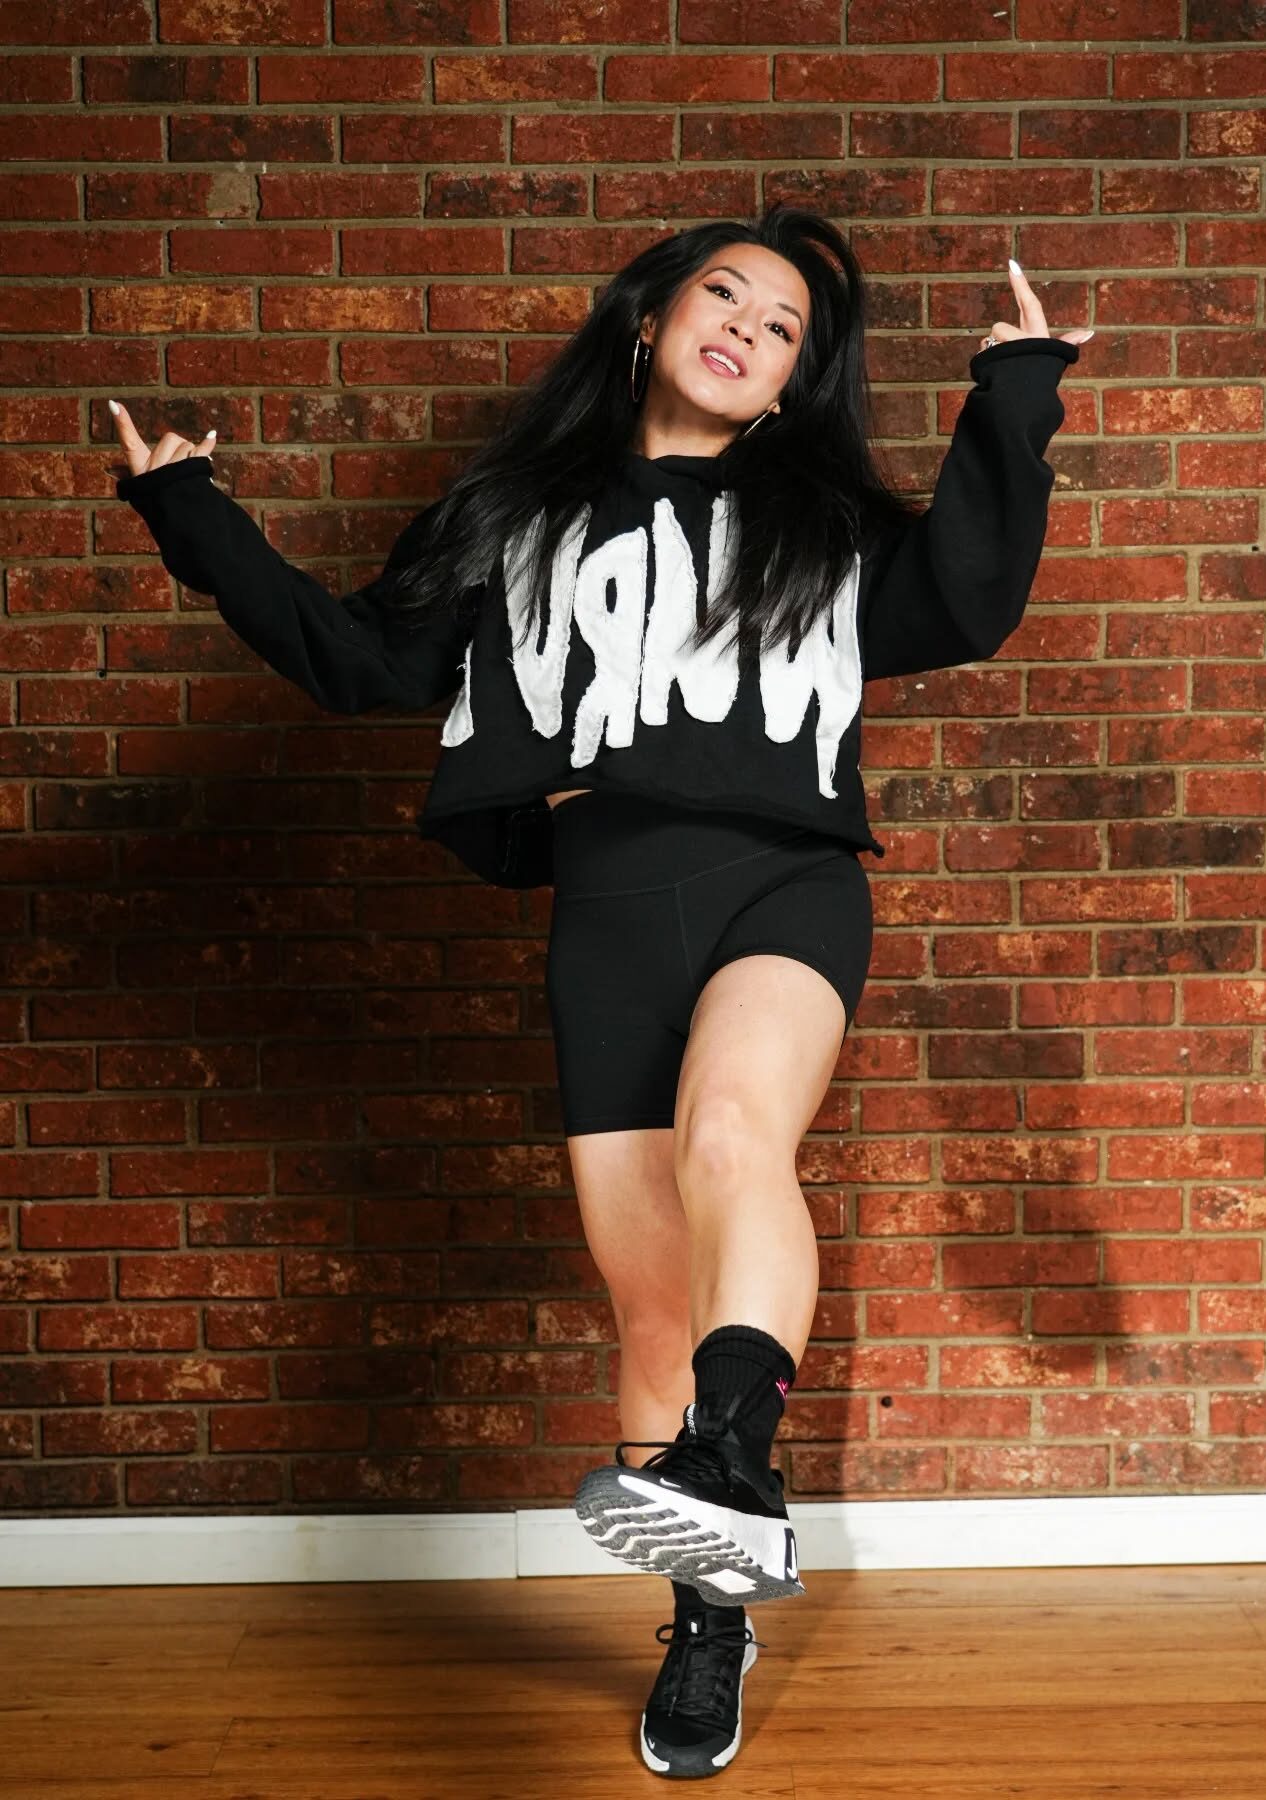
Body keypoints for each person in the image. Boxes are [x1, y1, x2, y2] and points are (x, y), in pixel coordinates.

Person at [109, 201, 1090, 1781]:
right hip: (607, 912)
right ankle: (709, 1622)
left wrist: (1016, 394)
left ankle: (732, 1458)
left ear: (793, 383)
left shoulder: (820, 523)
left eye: (784, 329)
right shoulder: (513, 514)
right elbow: (362, 663)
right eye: (726, 296)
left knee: (732, 1139)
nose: (748, 330)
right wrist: (188, 511)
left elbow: (965, 600)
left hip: (783, 879)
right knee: (649, 1308)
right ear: (649, 318)